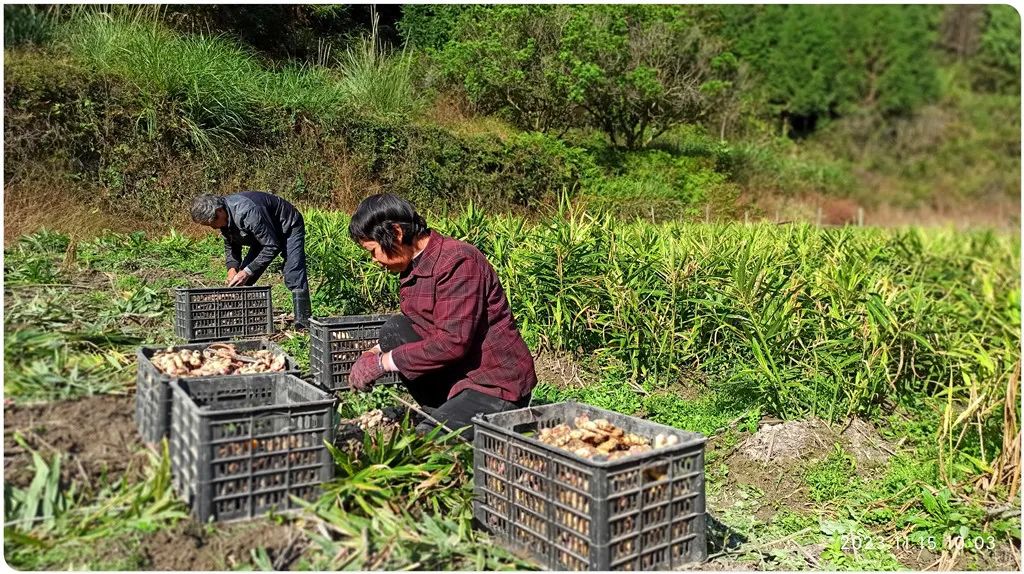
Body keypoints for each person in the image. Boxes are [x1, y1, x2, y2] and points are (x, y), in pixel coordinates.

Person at [346, 193, 536, 440]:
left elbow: (452, 342)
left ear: (396, 233)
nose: (374, 261)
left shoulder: (458, 261)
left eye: (373, 251)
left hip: (494, 385)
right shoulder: (414, 265)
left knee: (428, 446)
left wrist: (382, 364)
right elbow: (420, 325)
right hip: (460, 372)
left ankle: (468, 416)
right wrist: (373, 354)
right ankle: (445, 408)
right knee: (394, 330)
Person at [190, 191, 312, 329]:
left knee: (293, 271)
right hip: (263, 235)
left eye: (212, 223)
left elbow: (272, 246)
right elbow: (231, 244)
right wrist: (232, 269)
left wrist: (247, 271)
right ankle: (242, 320)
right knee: (242, 279)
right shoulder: (224, 215)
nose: (213, 227)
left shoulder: (247, 212)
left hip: (288, 226)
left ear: (220, 211)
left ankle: (303, 321)